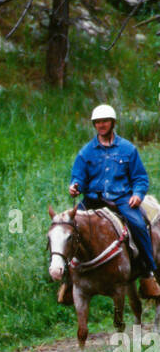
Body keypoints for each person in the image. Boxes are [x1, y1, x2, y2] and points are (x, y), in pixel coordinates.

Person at [68, 103, 160, 298]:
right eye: (97, 122)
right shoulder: (86, 152)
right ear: (94, 125)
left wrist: (137, 194)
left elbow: (140, 178)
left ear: (112, 123)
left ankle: (147, 274)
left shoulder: (128, 149)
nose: (101, 125)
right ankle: (68, 281)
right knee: (66, 226)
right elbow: (77, 176)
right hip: (93, 199)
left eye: (105, 121)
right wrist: (74, 186)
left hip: (122, 199)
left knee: (139, 224)